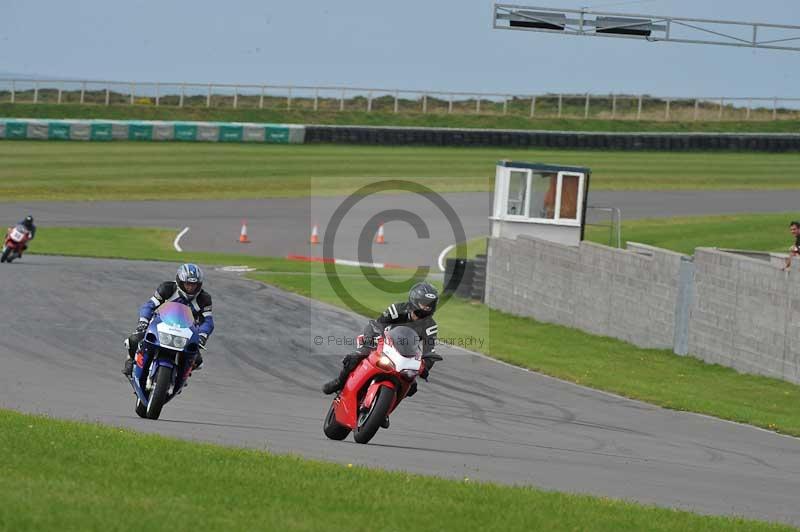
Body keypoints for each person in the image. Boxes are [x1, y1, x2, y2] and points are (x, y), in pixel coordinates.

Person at [322, 281, 441, 395]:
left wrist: (425, 367)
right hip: (382, 343)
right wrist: (371, 340)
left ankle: (384, 410)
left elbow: (430, 350)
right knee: (354, 357)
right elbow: (377, 324)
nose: (426, 307)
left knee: (411, 386)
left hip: (405, 354)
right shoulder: (397, 310)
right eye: (424, 303)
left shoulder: (431, 326)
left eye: (429, 305)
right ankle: (340, 382)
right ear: (415, 300)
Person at [122, 263, 214, 377]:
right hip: (160, 325)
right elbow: (149, 306)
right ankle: (131, 360)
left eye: (194, 285)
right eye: (187, 284)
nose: (190, 287)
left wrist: (202, 336)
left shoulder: (204, 299)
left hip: (186, 332)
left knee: (197, 360)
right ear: (180, 281)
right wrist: (143, 321)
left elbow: (208, 321)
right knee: (134, 340)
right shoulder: (167, 288)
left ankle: (181, 376)